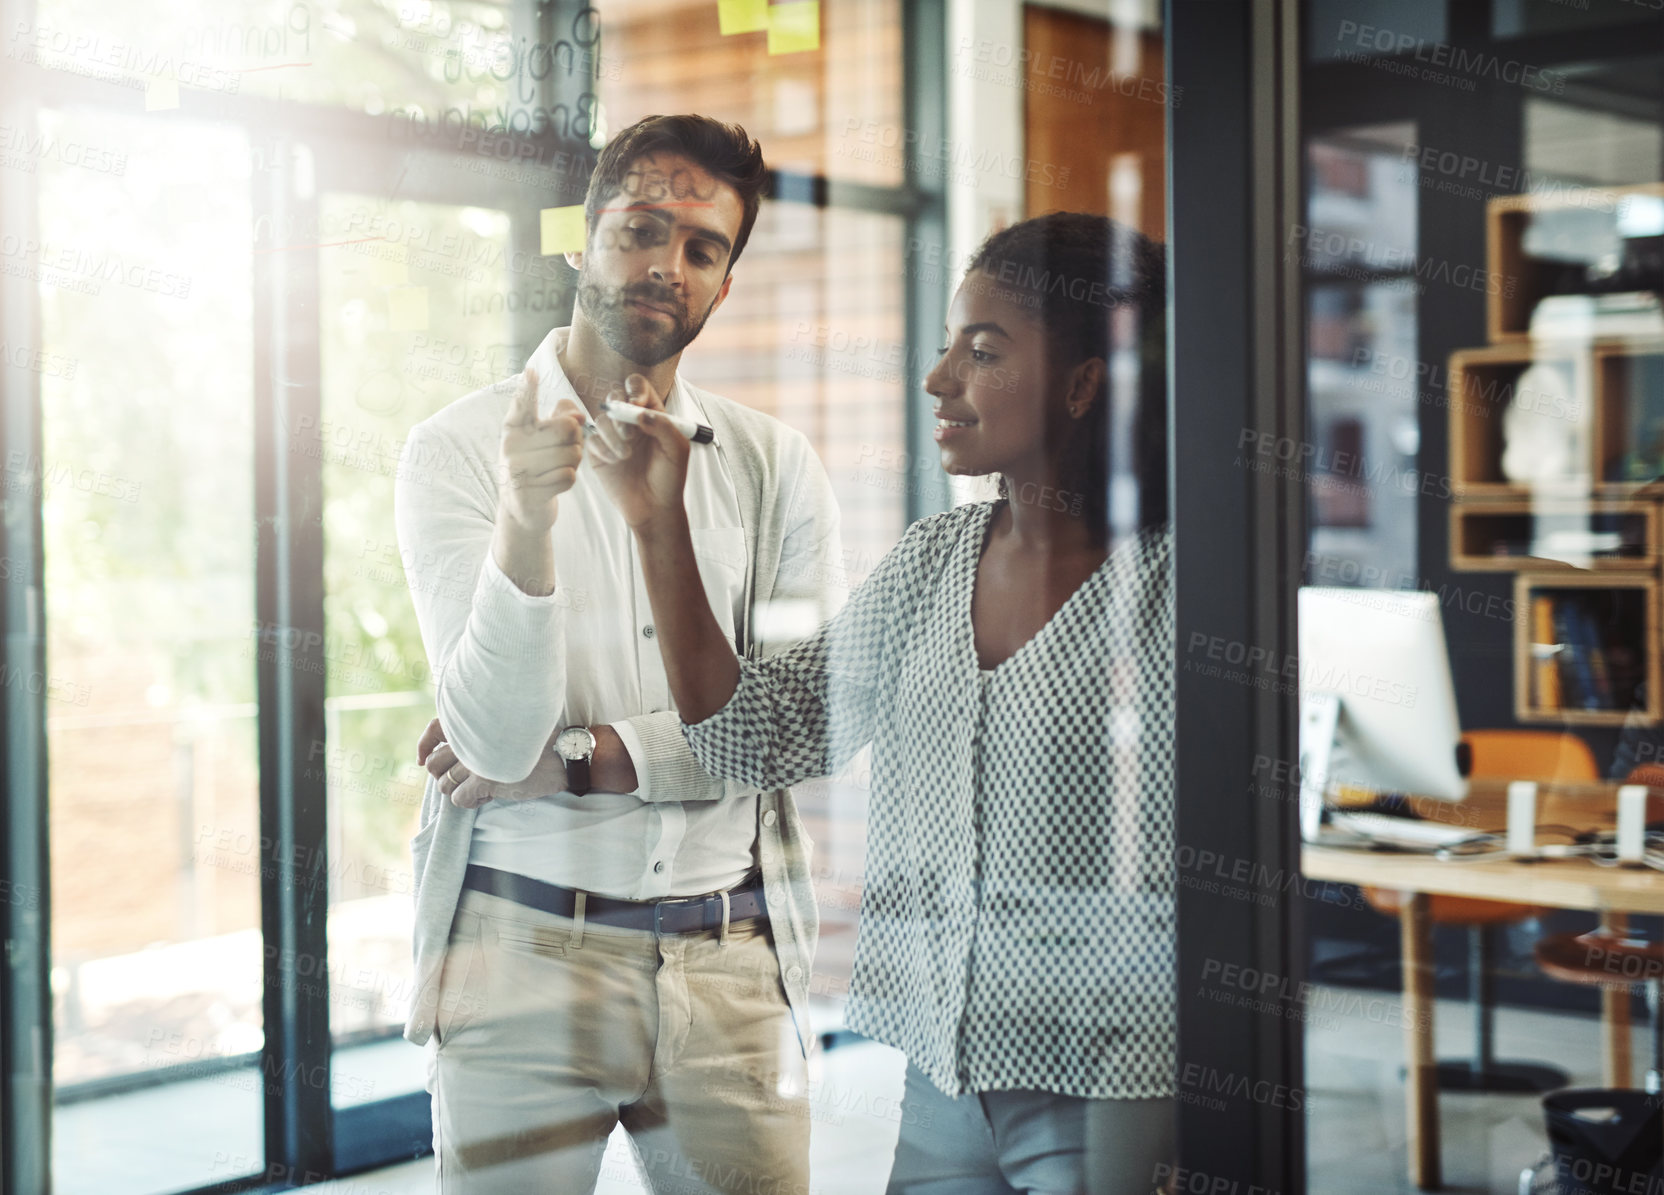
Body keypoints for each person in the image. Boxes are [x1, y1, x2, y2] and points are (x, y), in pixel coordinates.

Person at [579, 211, 1177, 1194]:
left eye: (981, 352)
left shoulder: (1180, 585)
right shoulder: (931, 563)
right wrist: (660, 530)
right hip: (942, 1068)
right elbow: (755, 733)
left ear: (1083, 382)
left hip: (1116, 1072)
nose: (939, 379)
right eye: (948, 347)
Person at [396, 114, 843, 1194]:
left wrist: (587, 756)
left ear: (724, 282)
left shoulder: (774, 467)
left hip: (730, 967)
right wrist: (524, 523)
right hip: (517, 958)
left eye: (702, 248)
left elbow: (795, 727)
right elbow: (494, 736)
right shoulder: (457, 450)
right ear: (583, 236)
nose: (666, 264)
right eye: (641, 229)